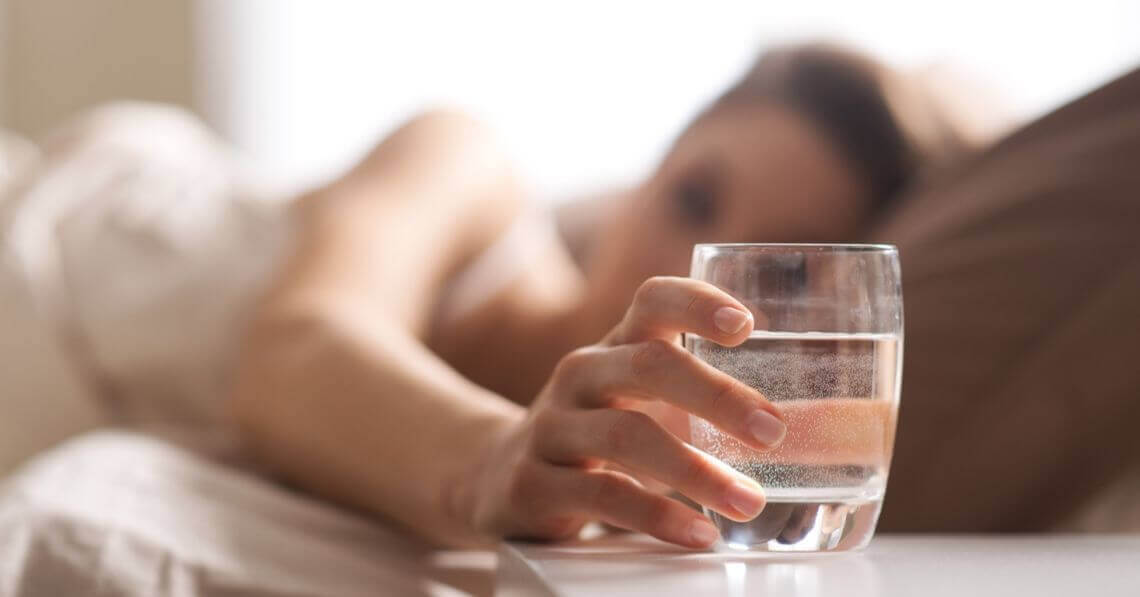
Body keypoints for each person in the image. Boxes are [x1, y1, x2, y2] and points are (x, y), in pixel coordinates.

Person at [0, 44, 976, 552]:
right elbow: (297, 351)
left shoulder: (620, 494)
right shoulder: (472, 174)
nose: (688, 273)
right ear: (655, 160)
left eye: (766, 270)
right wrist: (487, 462)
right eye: (693, 199)